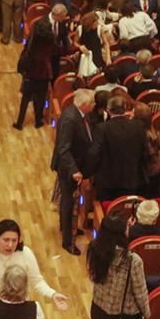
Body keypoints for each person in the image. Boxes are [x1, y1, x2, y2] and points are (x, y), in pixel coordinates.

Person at [0, 220, 70, 310]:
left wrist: (53, 294)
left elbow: (37, 282)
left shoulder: (26, 253)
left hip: (19, 311)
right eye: (6, 240)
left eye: (14, 240)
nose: (10, 245)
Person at [86, 213, 150, 319]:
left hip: (98, 308)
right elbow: (140, 292)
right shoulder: (133, 260)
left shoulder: (95, 249)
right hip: (123, 315)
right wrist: (146, 314)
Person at [51, 89, 96, 255]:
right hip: (69, 168)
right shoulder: (70, 119)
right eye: (92, 102)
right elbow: (63, 148)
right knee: (69, 202)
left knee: (70, 201)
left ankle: (69, 227)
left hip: (77, 164)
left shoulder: (80, 115)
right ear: (84, 105)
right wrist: (74, 170)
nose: (94, 105)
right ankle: (68, 241)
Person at [88, 96, 150, 202]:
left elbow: (94, 154)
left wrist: (89, 173)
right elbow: (145, 152)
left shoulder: (101, 129)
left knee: (108, 213)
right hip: (132, 179)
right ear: (125, 108)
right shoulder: (138, 126)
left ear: (108, 110)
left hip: (107, 183)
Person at [13, 16, 55, 129]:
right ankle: (38, 121)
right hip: (44, 73)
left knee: (25, 99)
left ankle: (20, 122)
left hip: (31, 72)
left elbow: (26, 52)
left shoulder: (33, 39)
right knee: (40, 99)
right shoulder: (51, 40)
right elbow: (56, 51)